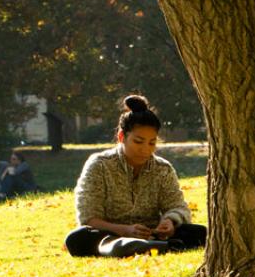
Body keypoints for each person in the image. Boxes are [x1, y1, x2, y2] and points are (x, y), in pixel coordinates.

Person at [65, 95, 207, 258]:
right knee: (77, 238)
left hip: (152, 234)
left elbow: (178, 206)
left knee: (200, 232)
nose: (145, 149)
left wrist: (170, 222)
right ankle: (152, 247)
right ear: (121, 137)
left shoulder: (163, 169)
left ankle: (156, 245)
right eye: (138, 142)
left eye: (152, 143)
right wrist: (125, 230)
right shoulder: (99, 165)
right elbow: (88, 217)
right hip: (111, 235)